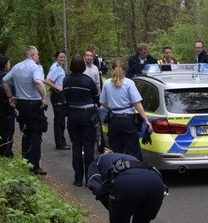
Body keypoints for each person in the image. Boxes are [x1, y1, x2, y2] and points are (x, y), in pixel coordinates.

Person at [2, 46, 49, 174]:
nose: (38, 56)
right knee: (36, 134)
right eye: (37, 54)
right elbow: (38, 82)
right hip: (34, 105)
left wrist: (10, 97)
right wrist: (44, 97)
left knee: (26, 133)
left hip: (21, 105)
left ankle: (26, 161)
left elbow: (5, 81)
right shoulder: (35, 67)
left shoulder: (17, 67)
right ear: (33, 55)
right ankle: (35, 166)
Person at [100, 57, 153, 158]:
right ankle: (130, 172)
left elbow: (102, 102)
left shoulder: (107, 83)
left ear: (112, 68)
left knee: (115, 153)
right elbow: (137, 103)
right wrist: (145, 120)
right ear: (126, 69)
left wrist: (112, 106)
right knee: (132, 152)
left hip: (113, 120)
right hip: (128, 121)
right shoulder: (129, 83)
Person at [63, 54, 100, 186]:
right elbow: (97, 98)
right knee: (89, 147)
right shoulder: (87, 81)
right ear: (83, 66)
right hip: (87, 116)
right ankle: (90, 178)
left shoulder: (66, 80)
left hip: (73, 115)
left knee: (76, 146)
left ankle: (78, 178)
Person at [0, 55, 15, 158]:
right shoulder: (3, 76)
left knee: (3, 129)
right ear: (5, 64)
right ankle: (6, 154)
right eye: (9, 62)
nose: (10, 64)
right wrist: (11, 97)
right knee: (8, 130)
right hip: (5, 106)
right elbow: (5, 89)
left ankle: (4, 152)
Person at [46, 50, 70, 150]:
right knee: (59, 120)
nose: (62, 59)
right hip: (58, 95)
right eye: (60, 57)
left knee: (60, 119)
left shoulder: (60, 67)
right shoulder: (55, 68)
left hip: (61, 95)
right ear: (56, 57)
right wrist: (57, 88)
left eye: (64, 57)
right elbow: (47, 80)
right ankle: (60, 143)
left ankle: (61, 141)